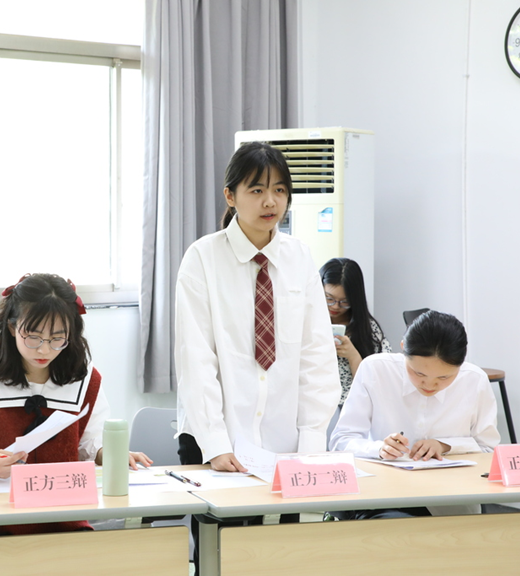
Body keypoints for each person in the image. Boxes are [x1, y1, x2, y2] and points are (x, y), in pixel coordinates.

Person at [175, 142, 340, 572]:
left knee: (283, 559)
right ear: (230, 196)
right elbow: (196, 359)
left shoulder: (299, 257)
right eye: (257, 190)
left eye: (280, 190)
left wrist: (311, 440)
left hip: (286, 442)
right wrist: (215, 443)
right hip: (218, 441)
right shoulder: (202, 258)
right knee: (224, 561)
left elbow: (317, 355)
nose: (271, 202)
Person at [0, 273, 151, 537]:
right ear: (12, 327)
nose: (44, 350)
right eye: (33, 337)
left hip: (62, 519)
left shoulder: (84, 377)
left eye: (57, 338)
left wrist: (110, 453)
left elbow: (91, 442)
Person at [329, 310, 500, 519]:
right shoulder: (376, 370)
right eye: (419, 373)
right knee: (395, 525)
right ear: (403, 348)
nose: (429, 384)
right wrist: (379, 448)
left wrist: (445, 446)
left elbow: (488, 450)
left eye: (444, 377)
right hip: (383, 497)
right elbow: (341, 440)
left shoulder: (474, 380)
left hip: (449, 501)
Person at [320, 257, 391, 438]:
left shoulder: (367, 329)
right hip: (314, 401)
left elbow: (381, 381)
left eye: (345, 301)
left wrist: (353, 356)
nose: (336, 307)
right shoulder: (307, 322)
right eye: (329, 299)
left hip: (352, 406)